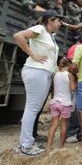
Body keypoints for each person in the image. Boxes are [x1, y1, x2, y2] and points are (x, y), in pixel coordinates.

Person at [13, 10, 62, 156]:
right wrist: (33, 54)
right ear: (50, 21)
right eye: (58, 20)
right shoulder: (40, 29)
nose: (60, 23)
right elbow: (18, 36)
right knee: (32, 108)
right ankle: (26, 145)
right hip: (36, 71)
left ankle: (24, 143)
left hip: (42, 72)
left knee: (32, 107)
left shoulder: (50, 36)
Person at [46, 58, 77, 151]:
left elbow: (54, 89)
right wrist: (76, 82)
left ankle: (49, 146)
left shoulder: (56, 75)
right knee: (64, 125)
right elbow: (73, 88)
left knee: (54, 124)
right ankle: (61, 146)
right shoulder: (69, 75)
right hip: (65, 103)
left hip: (55, 102)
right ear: (69, 65)